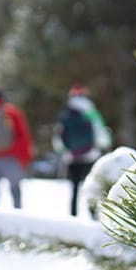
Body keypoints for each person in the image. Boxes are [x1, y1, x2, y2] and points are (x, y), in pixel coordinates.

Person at [54, 83, 112, 217]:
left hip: (72, 156)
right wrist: (104, 145)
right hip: (90, 154)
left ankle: (73, 215)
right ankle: (92, 213)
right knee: (91, 185)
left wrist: (63, 151)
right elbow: (100, 132)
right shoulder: (90, 110)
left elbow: (59, 135)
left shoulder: (66, 112)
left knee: (74, 187)